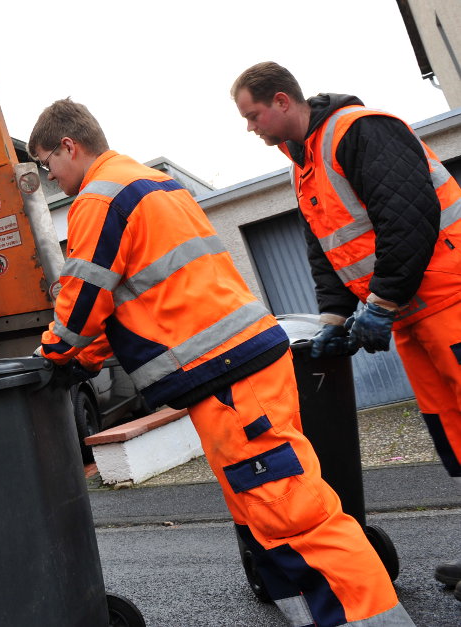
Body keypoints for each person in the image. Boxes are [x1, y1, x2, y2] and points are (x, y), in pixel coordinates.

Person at [30, 98, 413, 626]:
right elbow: (132, 297)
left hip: (228, 374)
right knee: (261, 511)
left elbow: (84, 296)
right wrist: (87, 354)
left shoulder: (100, 196)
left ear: (69, 146)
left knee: (293, 512)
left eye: (48, 162)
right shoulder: (148, 183)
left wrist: (54, 354)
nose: (50, 175)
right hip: (237, 369)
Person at [231, 61, 461, 602]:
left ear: (282, 100)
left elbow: (409, 216)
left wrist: (379, 302)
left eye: (252, 114)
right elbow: (327, 252)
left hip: (451, 301)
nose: (250, 127)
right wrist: (335, 320)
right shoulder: (303, 166)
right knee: (455, 435)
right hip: (413, 316)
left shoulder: (360, 130)